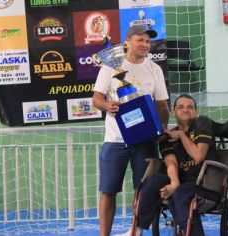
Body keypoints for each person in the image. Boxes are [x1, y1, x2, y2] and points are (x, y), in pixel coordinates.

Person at [92, 24, 170, 236]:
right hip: (115, 140)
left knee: (142, 191)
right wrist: (107, 105)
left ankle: (135, 232)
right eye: (140, 40)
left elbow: (162, 105)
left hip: (145, 140)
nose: (145, 45)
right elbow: (96, 99)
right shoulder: (110, 65)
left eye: (148, 41)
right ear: (128, 41)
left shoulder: (155, 69)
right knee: (108, 191)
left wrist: (161, 127)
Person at [133, 94, 214, 236]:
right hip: (182, 181)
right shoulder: (166, 137)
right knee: (152, 182)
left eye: (190, 107)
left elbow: (198, 156)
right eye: (180, 107)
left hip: (204, 182)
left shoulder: (202, 122)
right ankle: (137, 230)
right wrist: (174, 182)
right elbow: (171, 162)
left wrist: (182, 135)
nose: (185, 110)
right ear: (173, 112)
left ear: (196, 111)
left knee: (179, 193)